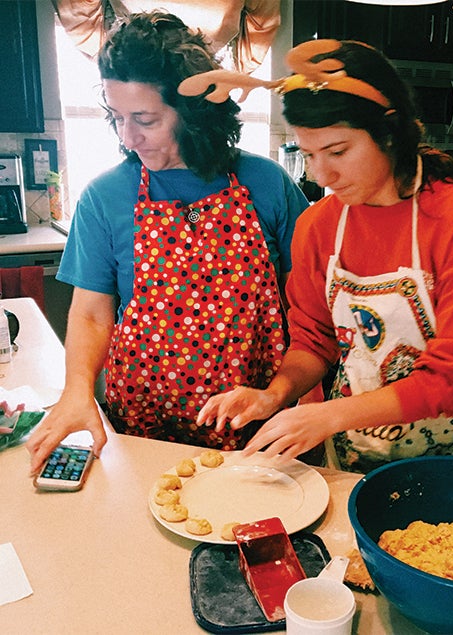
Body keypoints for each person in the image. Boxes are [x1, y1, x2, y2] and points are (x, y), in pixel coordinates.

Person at [193, 40, 453, 473]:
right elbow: (314, 339)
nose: (321, 175)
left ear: (388, 131)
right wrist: (275, 394)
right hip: (352, 452)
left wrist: (330, 415)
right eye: (308, 154)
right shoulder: (318, 227)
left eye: (338, 151)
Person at [27, 11, 308, 474]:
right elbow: (92, 313)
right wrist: (77, 391)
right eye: (117, 117)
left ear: (195, 113)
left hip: (254, 434)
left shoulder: (266, 183)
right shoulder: (105, 197)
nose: (128, 136)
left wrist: (292, 391)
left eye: (145, 119)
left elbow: (308, 304)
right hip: (143, 435)